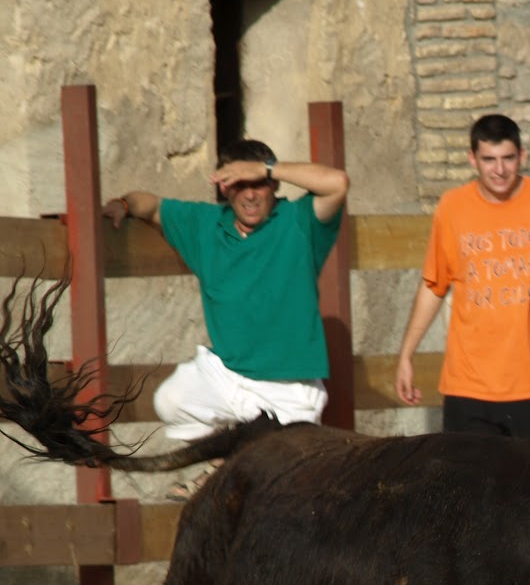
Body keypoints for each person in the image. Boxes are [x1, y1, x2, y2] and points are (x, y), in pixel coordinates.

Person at [102, 139, 349, 498]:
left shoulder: (299, 222)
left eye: (258, 184)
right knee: (171, 398)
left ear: (274, 185)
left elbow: (337, 183)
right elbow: (150, 204)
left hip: (289, 389)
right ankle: (226, 462)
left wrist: (265, 168)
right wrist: (123, 204)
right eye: (239, 184)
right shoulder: (204, 225)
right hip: (230, 376)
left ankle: (223, 470)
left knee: (284, 485)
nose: (250, 195)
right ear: (223, 186)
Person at [395, 113, 530, 459]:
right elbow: (433, 284)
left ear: (522, 156)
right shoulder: (452, 207)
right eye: (488, 159)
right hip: (469, 387)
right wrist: (406, 354)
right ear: (473, 159)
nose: (499, 170)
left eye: (508, 158)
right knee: (468, 501)